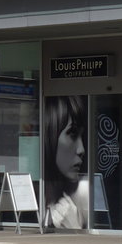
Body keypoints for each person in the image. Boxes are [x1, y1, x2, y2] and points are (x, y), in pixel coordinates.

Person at [43, 96, 88, 230]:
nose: (81, 150)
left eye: (82, 137)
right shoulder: (34, 205)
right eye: (73, 134)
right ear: (50, 135)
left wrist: (74, 226)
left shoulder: (83, 195)